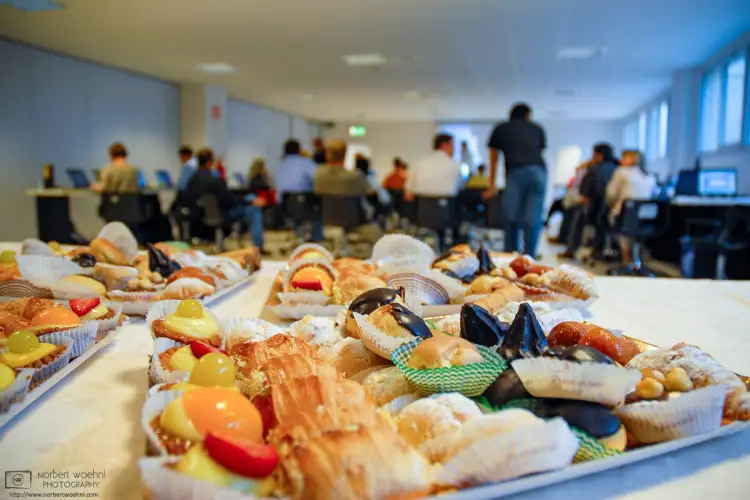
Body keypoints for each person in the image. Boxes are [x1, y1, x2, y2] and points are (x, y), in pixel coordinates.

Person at [486, 103, 547, 256]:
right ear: (527, 115)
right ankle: (529, 257)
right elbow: (539, 152)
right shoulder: (537, 128)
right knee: (533, 218)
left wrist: (491, 186)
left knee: (511, 216)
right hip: (539, 172)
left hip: (516, 173)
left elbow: (494, 159)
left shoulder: (501, 128)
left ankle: (510, 257)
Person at [183, 148, 267, 252]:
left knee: (250, 200)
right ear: (210, 162)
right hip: (222, 214)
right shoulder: (215, 180)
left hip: (201, 215)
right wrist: (250, 202)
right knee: (253, 208)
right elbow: (228, 201)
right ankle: (258, 247)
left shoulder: (192, 180)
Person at [313, 139, 382, 244]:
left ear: (327, 155)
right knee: (377, 235)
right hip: (354, 221)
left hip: (326, 220)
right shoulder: (356, 176)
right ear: (345, 155)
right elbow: (371, 195)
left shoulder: (318, 175)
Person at [606, 150, 657, 264]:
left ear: (633, 159)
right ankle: (639, 258)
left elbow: (610, 194)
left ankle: (626, 259)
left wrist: (613, 205)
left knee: (623, 226)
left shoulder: (621, 172)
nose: (621, 160)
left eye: (624, 158)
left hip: (625, 217)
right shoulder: (650, 176)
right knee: (632, 227)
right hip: (648, 220)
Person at [276, 139, 322, 240]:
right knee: (321, 207)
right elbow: (319, 178)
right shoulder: (306, 163)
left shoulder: (279, 166)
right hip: (304, 205)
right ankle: (317, 240)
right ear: (299, 150)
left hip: (283, 207)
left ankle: (300, 235)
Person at [580, 143, 619, 259]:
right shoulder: (618, 168)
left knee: (578, 215)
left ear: (599, 155)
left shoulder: (595, 169)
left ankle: (591, 251)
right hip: (619, 213)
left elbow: (585, 193)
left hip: (599, 211)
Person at [405, 133, 463, 199]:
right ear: (445, 145)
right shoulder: (455, 165)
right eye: (452, 146)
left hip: (422, 206)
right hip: (448, 206)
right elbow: (460, 186)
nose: (454, 150)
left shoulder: (419, 164)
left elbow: (408, 195)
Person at [355, 155, 391, 219]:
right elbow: (385, 199)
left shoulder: (355, 181)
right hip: (372, 209)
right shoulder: (372, 180)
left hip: (362, 210)